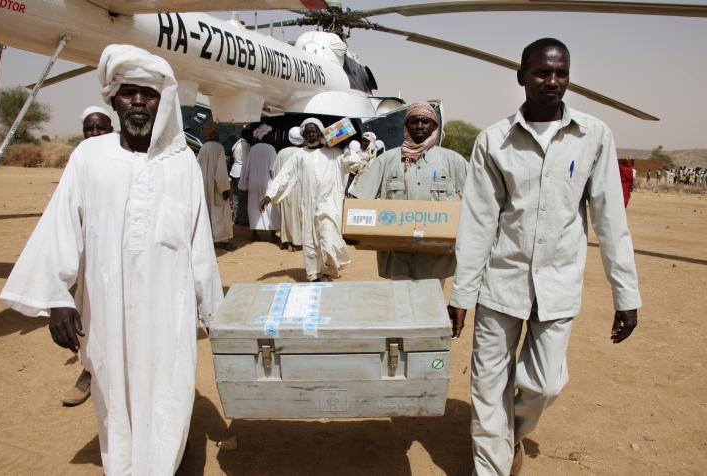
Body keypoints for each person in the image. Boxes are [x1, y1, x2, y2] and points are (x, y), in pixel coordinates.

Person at [0, 44, 223, 475]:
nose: (138, 101)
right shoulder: (89, 157)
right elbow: (61, 224)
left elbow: (199, 248)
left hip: (167, 311)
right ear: (114, 100)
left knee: (169, 390)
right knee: (112, 394)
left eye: (149, 94)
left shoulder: (184, 165)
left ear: (164, 102)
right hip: (105, 307)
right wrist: (57, 298)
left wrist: (214, 314)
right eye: (128, 92)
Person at [446, 38, 641, 476]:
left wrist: (626, 295)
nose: (553, 81)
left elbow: (611, 220)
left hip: (557, 286)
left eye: (561, 73)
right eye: (542, 72)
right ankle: (492, 466)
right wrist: (462, 295)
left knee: (544, 384)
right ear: (522, 78)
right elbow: (477, 224)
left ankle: (508, 434)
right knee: (488, 388)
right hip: (501, 284)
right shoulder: (494, 141)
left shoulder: (594, 136)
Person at [349, 102, 467, 283]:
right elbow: (359, 199)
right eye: (414, 121)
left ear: (435, 127)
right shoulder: (386, 160)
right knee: (402, 306)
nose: (419, 126)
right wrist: (353, 230)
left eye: (425, 121)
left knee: (430, 306)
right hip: (397, 256)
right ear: (406, 126)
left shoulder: (452, 161)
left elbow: (477, 199)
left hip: (436, 259)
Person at [60, 106, 116, 408]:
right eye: (89, 129)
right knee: (89, 317)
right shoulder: (78, 161)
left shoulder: (125, 159)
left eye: (101, 129)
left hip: (118, 257)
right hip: (87, 260)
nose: (95, 134)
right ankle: (88, 372)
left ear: (111, 130)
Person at [261, 118, 353, 282]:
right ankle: (315, 273)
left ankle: (329, 270)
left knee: (329, 237)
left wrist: (345, 145)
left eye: (314, 131)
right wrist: (270, 194)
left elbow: (350, 165)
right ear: (303, 135)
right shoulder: (299, 155)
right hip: (308, 205)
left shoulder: (333, 152)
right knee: (310, 241)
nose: (311, 135)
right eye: (308, 132)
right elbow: (284, 175)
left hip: (329, 204)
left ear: (320, 133)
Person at [198, 121, 236, 251]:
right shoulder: (219, 147)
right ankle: (222, 240)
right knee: (220, 212)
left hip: (204, 186)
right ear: (212, 134)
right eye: (216, 133)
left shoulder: (203, 148)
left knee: (208, 211)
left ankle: (209, 238)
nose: (218, 135)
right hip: (216, 186)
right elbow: (221, 171)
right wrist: (224, 189)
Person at [239, 124, 280, 241]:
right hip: (267, 183)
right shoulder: (270, 149)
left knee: (253, 207)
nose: (272, 137)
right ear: (265, 135)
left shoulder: (253, 149)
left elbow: (246, 168)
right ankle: (272, 233)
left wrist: (245, 182)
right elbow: (274, 169)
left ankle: (254, 233)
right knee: (271, 207)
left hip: (253, 183)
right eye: (270, 135)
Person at [273, 126, 305, 251]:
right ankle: (296, 241)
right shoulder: (304, 153)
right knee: (298, 215)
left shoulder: (282, 152)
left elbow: (275, 172)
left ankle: (286, 240)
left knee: (285, 215)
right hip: (300, 189)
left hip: (284, 190)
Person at [230, 129, 252, 227]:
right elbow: (248, 161)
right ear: (246, 135)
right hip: (241, 172)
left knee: (235, 196)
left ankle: (236, 217)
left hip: (234, 171)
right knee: (243, 197)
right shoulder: (245, 145)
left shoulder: (236, 143)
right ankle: (243, 219)